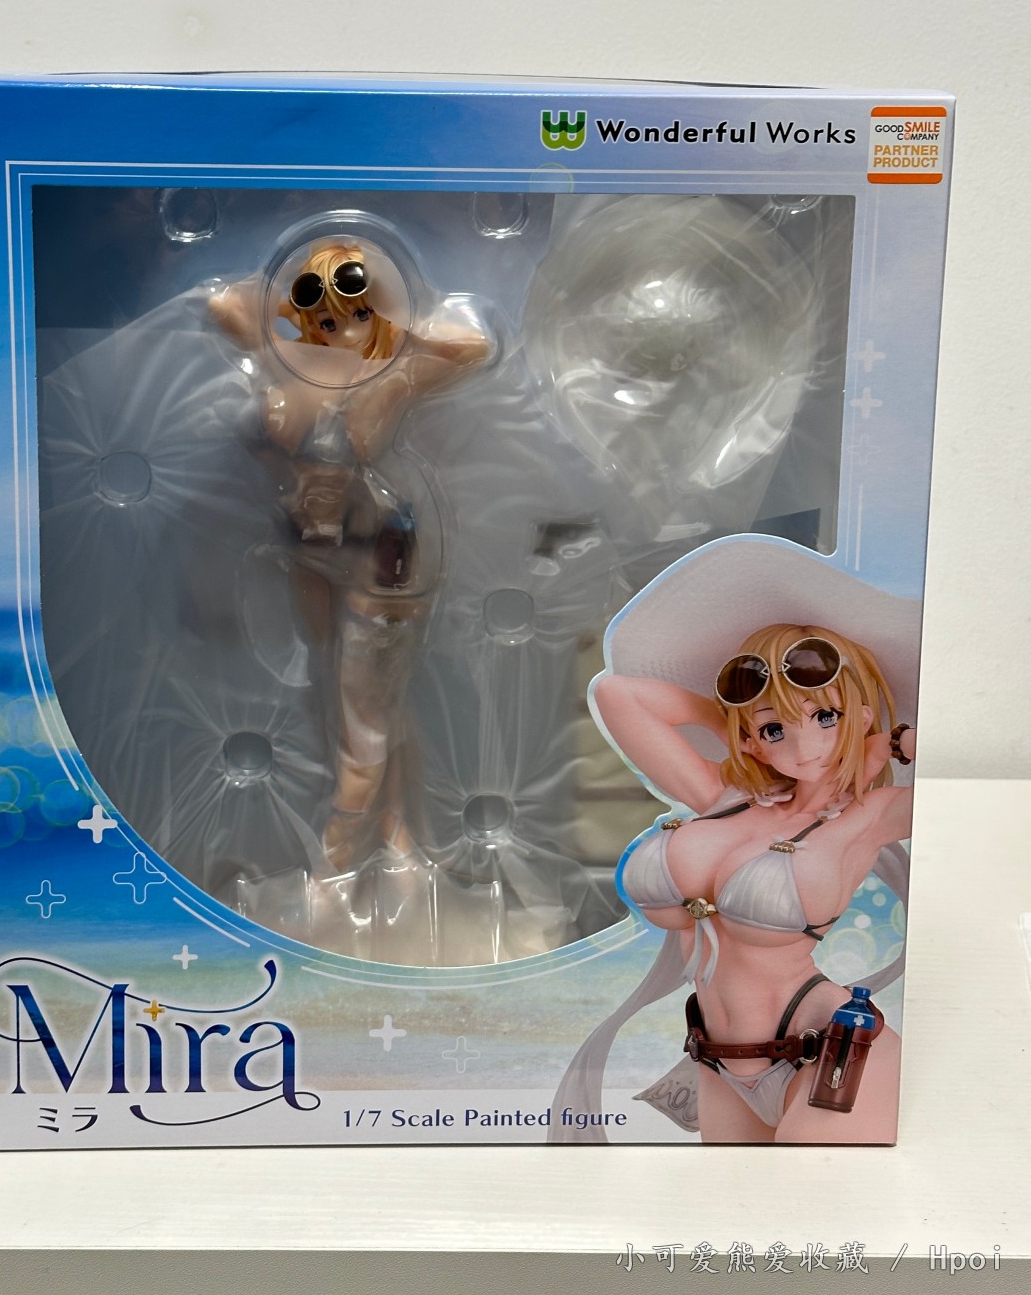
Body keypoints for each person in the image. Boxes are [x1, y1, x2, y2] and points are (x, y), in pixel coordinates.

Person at [551, 555, 916, 1144]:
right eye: (777, 728)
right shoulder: (721, 796)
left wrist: (907, 743)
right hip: (719, 1057)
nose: (803, 744)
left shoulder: (867, 817)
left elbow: (986, 788)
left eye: (826, 717)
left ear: (862, 717)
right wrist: (737, 726)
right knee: (735, 1201)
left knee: (807, 1198)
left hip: (828, 1050)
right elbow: (617, 694)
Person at [208, 236, 491, 871]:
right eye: (330, 317)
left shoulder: (389, 372)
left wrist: (397, 316)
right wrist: (305, 284)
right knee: (368, 704)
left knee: (363, 717)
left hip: (382, 556)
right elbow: (225, 304)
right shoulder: (289, 362)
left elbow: (474, 345)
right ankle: (399, 842)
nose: (345, 328)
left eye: (360, 312)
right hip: (308, 551)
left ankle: (334, 859)